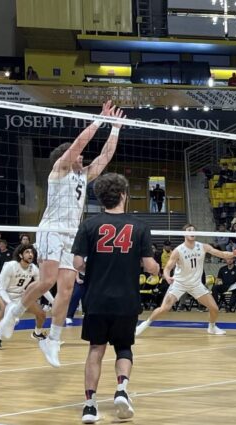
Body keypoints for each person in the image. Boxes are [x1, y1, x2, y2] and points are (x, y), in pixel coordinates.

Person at [0, 101, 125, 368]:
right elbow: (78, 144)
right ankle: (14, 312)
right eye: (78, 155)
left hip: (70, 233)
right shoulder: (59, 170)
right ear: (67, 157)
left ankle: (53, 340)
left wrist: (115, 128)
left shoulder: (83, 176)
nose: (82, 157)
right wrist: (99, 120)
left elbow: (104, 158)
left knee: (66, 290)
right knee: (47, 280)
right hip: (52, 229)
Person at [70, 173, 160, 423]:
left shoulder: (89, 225)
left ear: (101, 198)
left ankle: (90, 406)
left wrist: (94, 268)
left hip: (96, 299)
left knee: (95, 349)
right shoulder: (140, 226)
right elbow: (149, 265)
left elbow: (77, 263)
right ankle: (121, 389)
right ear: (123, 195)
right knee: (123, 348)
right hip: (126, 299)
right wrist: (156, 269)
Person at [136, 224, 236, 337]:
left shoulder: (203, 247)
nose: (192, 232)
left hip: (196, 284)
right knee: (165, 308)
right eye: (189, 230)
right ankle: (145, 324)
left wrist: (233, 254)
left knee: (214, 308)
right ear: (184, 234)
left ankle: (212, 327)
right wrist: (167, 276)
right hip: (179, 283)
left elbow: (221, 254)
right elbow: (167, 268)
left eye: (193, 230)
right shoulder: (178, 250)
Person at [0, 245, 46, 350]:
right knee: (4, 308)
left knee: (41, 314)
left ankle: (37, 333)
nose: (30, 254)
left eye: (32, 252)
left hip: (19, 294)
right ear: (20, 255)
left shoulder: (33, 268)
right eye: (27, 252)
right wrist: (11, 305)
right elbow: (2, 289)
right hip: (1, 290)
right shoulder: (10, 266)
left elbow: (43, 286)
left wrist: (54, 301)